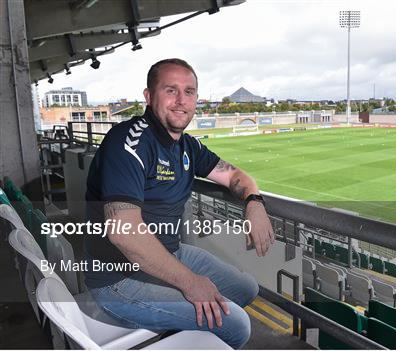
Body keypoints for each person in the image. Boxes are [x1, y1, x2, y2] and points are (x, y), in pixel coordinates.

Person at [84, 58, 275, 349]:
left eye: (189, 91)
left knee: (245, 289)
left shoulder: (188, 145)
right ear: (149, 96)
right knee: (236, 324)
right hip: (118, 279)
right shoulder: (128, 142)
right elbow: (124, 231)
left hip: (170, 253)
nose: (181, 101)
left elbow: (236, 175)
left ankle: (179, 332)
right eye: (170, 90)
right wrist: (190, 283)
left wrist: (254, 202)